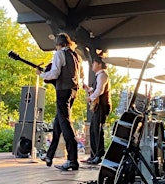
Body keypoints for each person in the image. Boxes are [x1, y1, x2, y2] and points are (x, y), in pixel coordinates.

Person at [36, 33, 82, 171]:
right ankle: (49, 155)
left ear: (58, 45)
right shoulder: (76, 56)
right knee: (59, 122)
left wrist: (42, 74)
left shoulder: (59, 54)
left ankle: (72, 160)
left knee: (66, 124)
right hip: (73, 90)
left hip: (63, 91)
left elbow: (55, 73)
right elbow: (80, 76)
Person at [83, 56, 111, 165]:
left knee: (97, 130)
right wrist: (88, 89)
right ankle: (94, 154)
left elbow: (100, 90)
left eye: (94, 63)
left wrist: (91, 97)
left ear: (99, 64)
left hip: (102, 106)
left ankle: (98, 155)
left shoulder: (102, 75)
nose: (92, 65)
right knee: (93, 130)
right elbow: (95, 90)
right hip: (99, 106)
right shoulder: (99, 76)